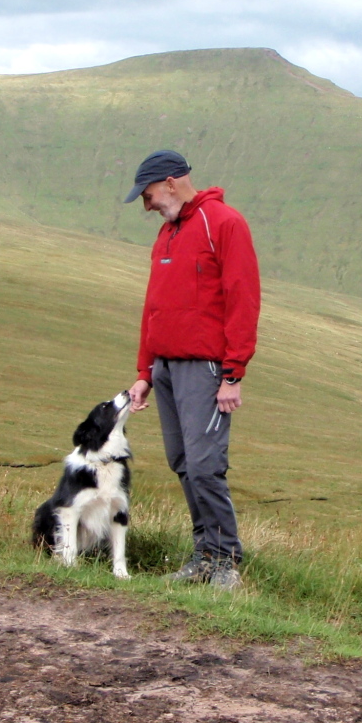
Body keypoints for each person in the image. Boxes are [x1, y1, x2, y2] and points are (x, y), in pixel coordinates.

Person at [123, 150, 261, 589]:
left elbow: (243, 299)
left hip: (205, 368)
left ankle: (225, 562)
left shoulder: (224, 223)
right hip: (165, 367)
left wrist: (232, 374)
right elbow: (154, 307)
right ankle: (203, 556)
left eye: (147, 196)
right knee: (182, 462)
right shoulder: (167, 233)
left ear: (170, 183)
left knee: (204, 466)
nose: (147, 206)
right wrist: (145, 372)